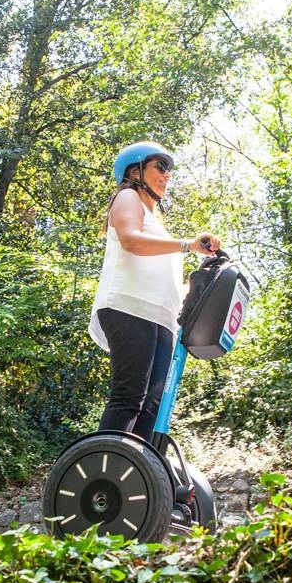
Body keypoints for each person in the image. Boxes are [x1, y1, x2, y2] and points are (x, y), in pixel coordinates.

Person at [88, 142, 220, 444]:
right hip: (128, 307)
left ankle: (138, 477)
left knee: (152, 408)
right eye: (160, 166)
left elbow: (162, 276)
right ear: (135, 171)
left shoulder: (158, 225)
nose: (167, 175)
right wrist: (188, 244)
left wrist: (203, 277)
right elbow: (132, 241)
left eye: (169, 170)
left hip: (161, 318)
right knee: (129, 397)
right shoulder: (127, 197)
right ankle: (102, 474)